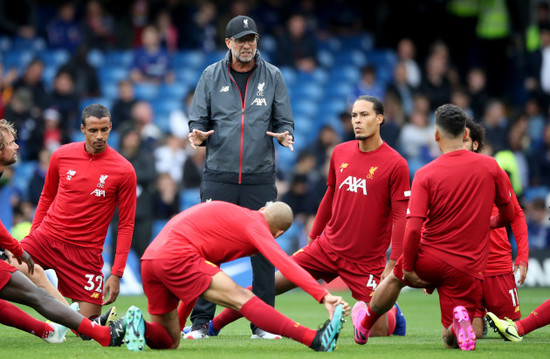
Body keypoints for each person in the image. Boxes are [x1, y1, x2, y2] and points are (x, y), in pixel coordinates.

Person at [211, 95, 410, 340]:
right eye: (354, 115)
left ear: (380, 119)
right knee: (269, 286)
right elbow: (329, 196)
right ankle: (213, 326)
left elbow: (401, 215)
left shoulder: (396, 164)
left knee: (377, 332)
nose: (357, 121)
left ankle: (394, 314)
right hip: (326, 247)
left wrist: (393, 263)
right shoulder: (340, 152)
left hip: (366, 262)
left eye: (365, 115)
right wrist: (314, 237)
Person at [350, 104, 515, 351]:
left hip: (431, 255)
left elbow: (414, 227)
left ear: (436, 136)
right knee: (450, 340)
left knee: (395, 279)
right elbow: (510, 214)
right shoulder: (491, 167)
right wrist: (489, 224)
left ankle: (365, 325)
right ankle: (458, 324)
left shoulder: (426, 173)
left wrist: (410, 267)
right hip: (468, 265)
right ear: (466, 135)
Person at [185, 14, 294, 340]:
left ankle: (263, 324)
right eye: (241, 40)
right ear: (228, 43)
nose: (247, 45)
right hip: (218, 175)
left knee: (264, 253)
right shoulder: (210, 75)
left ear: (257, 42)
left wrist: (286, 134)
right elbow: (196, 121)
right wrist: (196, 136)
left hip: (260, 177)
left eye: (252, 39)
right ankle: (200, 324)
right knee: (207, 251)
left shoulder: (273, 75)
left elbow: (285, 120)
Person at [122, 200, 348, 352]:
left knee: (168, 341)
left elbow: (200, 281)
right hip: (178, 254)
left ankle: (136, 324)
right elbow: (285, 264)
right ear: (279, 233)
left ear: (262, 209)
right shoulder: (257, 226)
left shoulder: (236, 219)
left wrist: (179, 325)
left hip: (151, 259)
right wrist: (322, 294)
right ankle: (314, 339)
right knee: (241, 296)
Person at [0, 118, 126, 347]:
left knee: (34, 278)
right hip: (47, 239)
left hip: (85, 253)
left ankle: (66, 329)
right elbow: (46, 196)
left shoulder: (123, 169)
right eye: (11, 142)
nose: (17, 146)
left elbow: (126, 224)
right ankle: (95, 332)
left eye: (104, 129)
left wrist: (117, 271)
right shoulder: (62, 155)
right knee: (31, 289)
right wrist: (20, 246)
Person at [463, 118, 529, 337]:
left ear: (475, 144)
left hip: (497, 266)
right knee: (473, 333)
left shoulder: (493, 171)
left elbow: (516, 214)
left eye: (464, 140)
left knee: (509, 332)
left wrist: (522, 257)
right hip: (465, 266)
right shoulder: (440, 174)